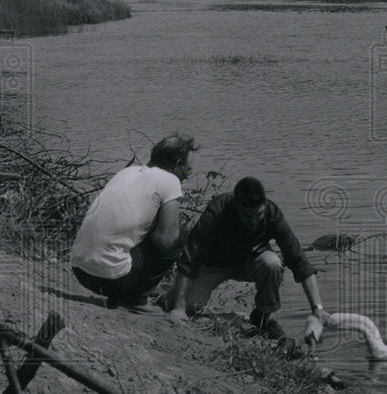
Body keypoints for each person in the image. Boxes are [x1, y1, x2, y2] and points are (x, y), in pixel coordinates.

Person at [166, 176, 328, 354]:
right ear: (236, 206)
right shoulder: (217, 211)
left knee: (272, 263)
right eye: (246, 215)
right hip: (213, 265)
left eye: (258, 215)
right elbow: (190, 257)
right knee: (186, 309)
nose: (253, 221)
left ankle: (263, 317)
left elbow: (300, 263)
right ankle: (178, 299)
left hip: (250, 262)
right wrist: (179, 308)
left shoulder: (272, 214)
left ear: (264, 205)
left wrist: (317, 309)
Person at [71, 133, 198, 312]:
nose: (187, 176)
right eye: (188, 169)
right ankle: (136, 299)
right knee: (180, 234)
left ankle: (122, 293)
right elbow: (167, 241)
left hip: (80, 271)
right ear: (177, 164)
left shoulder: (126, 172)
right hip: (110, 279)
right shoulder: (170, 181)